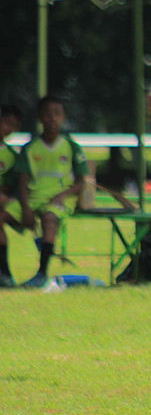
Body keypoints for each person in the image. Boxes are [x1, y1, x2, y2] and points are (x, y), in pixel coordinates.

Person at [5, 97, 87, 288]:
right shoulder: (30, 148)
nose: (52, 118)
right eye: (47, 114)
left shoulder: (71, 146)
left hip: (58, 198)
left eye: (57, 113)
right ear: (40, 118)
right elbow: (23, 183)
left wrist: (63, 195)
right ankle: (5, 275)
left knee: (50, 218)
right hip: (32, 199)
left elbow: (82, 182)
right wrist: (25, 208)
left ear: (63, 117)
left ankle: (42, 273)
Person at [0, 104, 24, 287]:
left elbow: (8, 187)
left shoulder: (10, 156)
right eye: (6, 123)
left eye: (13, 126)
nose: (9, 129)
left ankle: (5, 273)